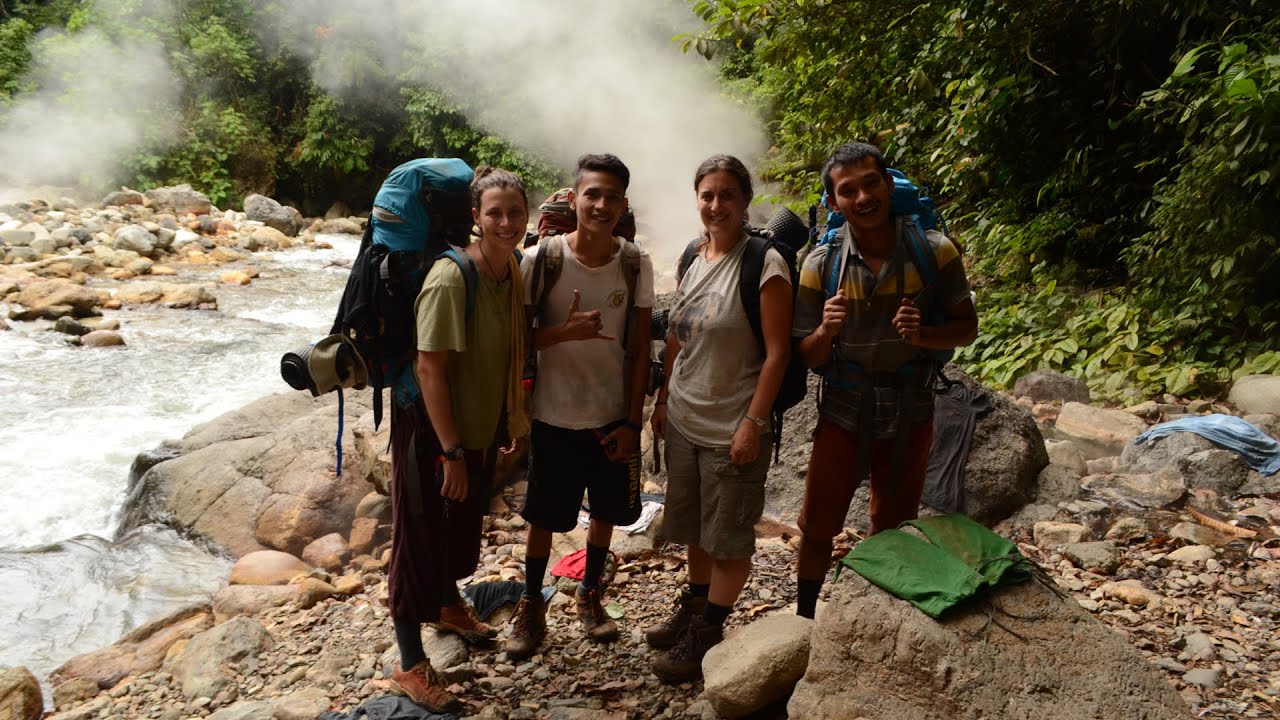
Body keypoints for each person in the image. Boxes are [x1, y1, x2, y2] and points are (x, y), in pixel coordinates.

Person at [792, 141, 978, 619]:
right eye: (847, 190)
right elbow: (805, 354)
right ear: (833, 203)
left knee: (894, 525)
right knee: (817, 526)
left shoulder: (934, 252)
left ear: (888, 184)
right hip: (843, 406)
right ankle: (805, 621)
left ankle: (878, 620)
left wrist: (925, 334)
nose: (862, 197)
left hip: (912, 404)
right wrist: (825, 331)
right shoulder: (820, 265)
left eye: (871, 183)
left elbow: (966, 327)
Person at [387, 166, 531, 712]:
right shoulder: (452, 278)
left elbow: (502, 348)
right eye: (493, 212)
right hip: (430, 429)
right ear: (474, 216)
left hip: (473, 428)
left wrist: (505, 424)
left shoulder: (508, 268)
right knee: (417, 542)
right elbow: (430, 371)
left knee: (458, 525)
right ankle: (408, 663)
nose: (506, 221)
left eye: (515, 211)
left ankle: (447, 605)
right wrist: (449, 452)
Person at [646, 154, 792, 683]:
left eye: (726, 195)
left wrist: (753, 423)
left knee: (728, 537)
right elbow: (679, 334)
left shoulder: (764, 264)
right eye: (707, 195)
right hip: (685, 417)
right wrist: (662, 401)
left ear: (745, 201)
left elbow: (777, 354)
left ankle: (709, 631)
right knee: (695, 528)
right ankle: (696, 605)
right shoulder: (693, 255)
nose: (715, 205)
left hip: (735, 423)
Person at [506, 153, 654, 659]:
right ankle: (531, 603)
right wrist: (562, 333)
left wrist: (635, 421)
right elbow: (518, 342)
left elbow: (641, 353)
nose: (602, 204)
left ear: (623, 204)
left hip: (612, 413)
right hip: (552, 412)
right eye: (593, 194)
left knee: (607, 511)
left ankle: (590, 593)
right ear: (574, 198)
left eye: (612, 196)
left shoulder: (635, 262)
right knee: (543, 517)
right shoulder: (541, 259)